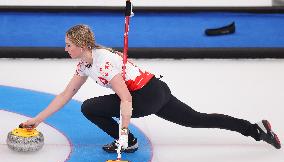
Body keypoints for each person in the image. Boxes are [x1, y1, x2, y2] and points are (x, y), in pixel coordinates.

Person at [21, 24, 281, 153]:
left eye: (68, 45)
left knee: (90, 107)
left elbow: (124, 98)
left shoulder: (103, 63)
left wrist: (123, 134)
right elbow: (66, 94)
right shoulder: (85, 65)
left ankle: (129, 142)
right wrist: (38, 120)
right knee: (197, 119)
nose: (65, 49)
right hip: (158, 90)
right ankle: (256, 129)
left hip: (145, 95)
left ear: (81, 45)